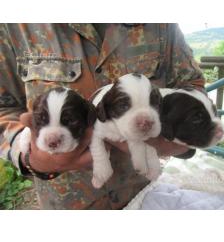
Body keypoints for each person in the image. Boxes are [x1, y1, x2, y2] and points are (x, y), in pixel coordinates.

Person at [0, 23, 205, 209]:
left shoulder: (162, 23)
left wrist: (182, 138)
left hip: (142, 195)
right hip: (66, 205)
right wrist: (27, 154)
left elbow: (192, 88)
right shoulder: (13, 25)